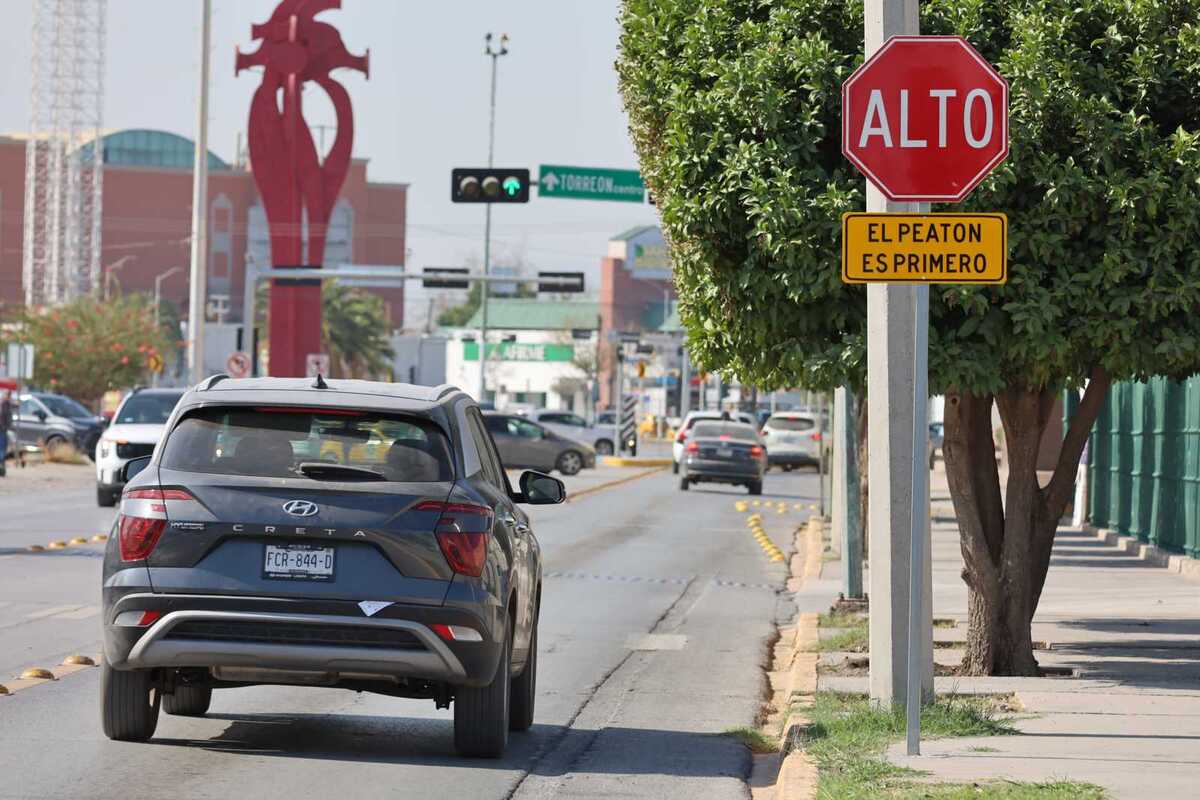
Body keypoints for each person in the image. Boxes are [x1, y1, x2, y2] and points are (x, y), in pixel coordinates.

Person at [0, 391, 11, 478]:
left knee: (3, 449)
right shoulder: (4, 405)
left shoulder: (6, 404)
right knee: (2, 449)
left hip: (3, 430)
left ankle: (2, 469)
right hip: (2, 429)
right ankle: (2, 469)